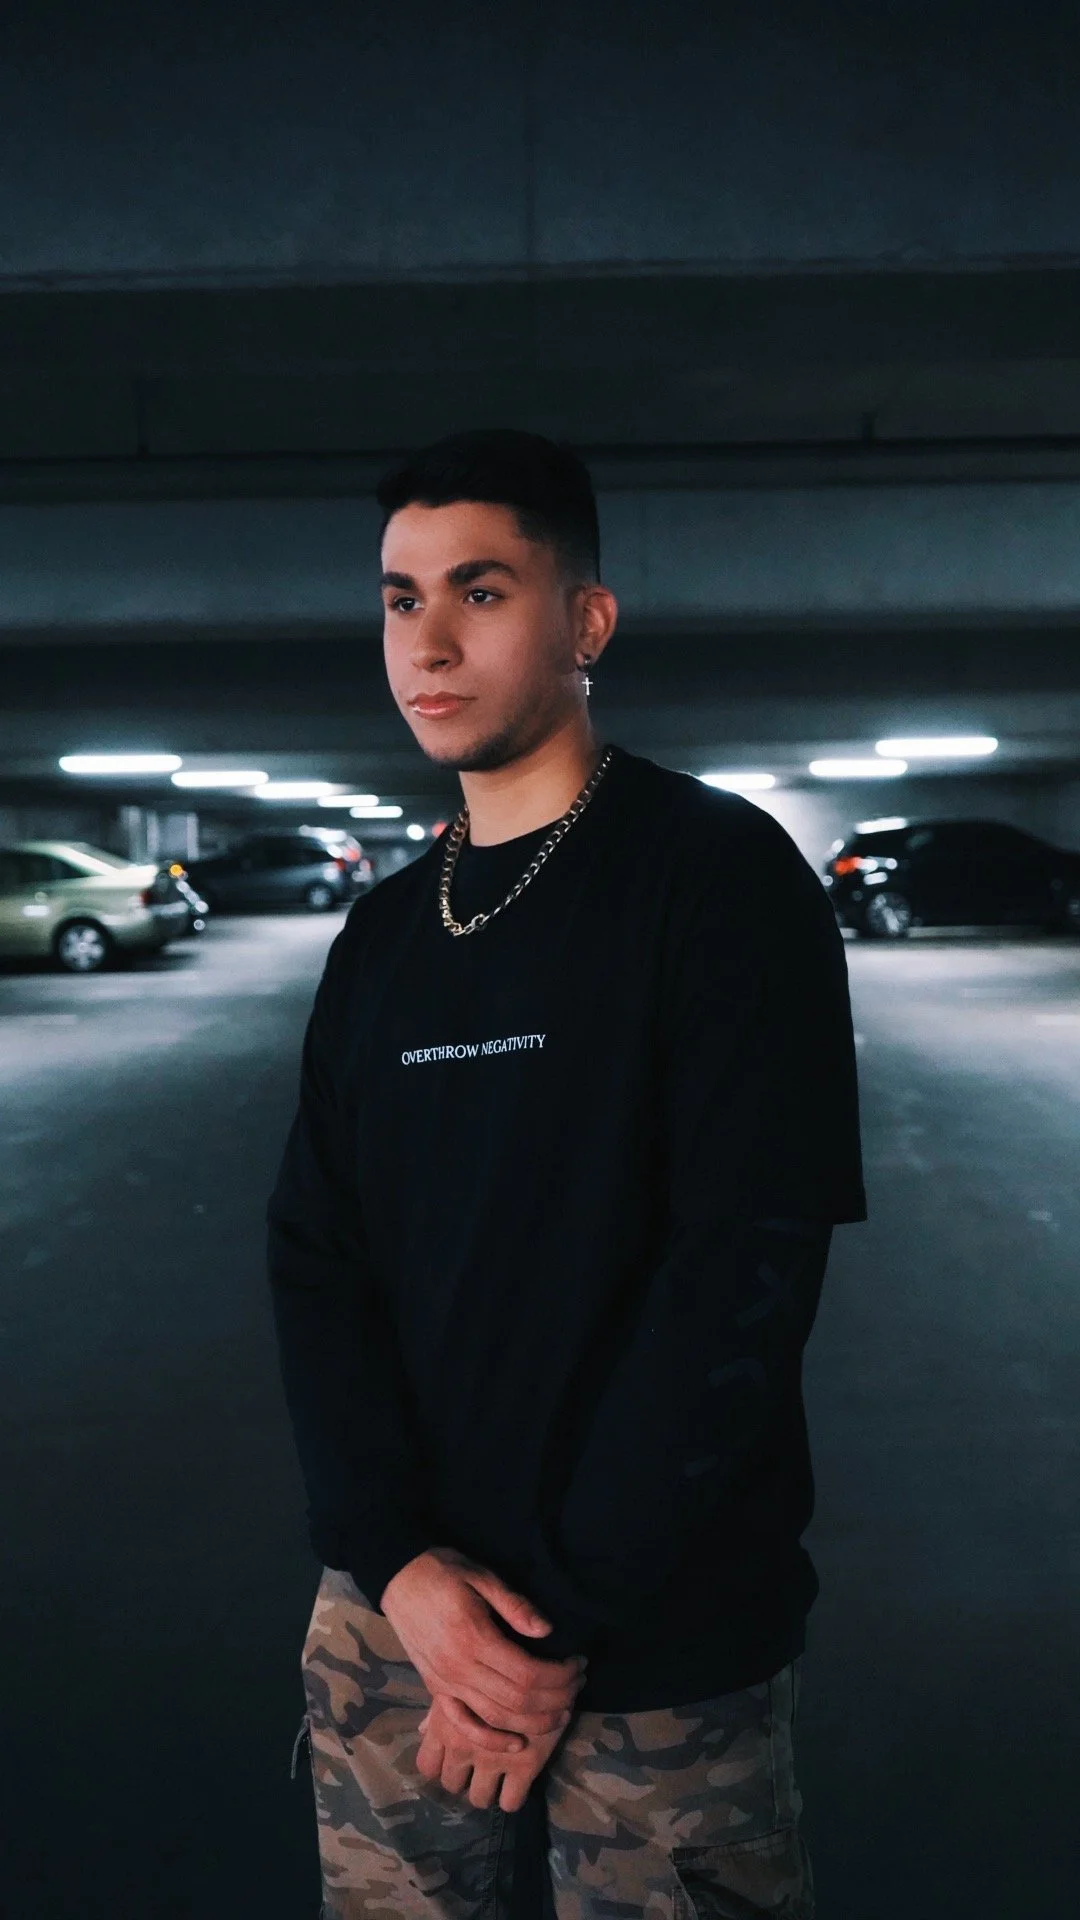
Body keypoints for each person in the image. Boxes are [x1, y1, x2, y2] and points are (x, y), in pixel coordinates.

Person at [267, 427, 867, 1919]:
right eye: (403, 599)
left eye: (482, 588)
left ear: (586, 621)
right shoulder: (385, 937)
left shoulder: (719, 882)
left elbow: (744, 1271)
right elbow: (315, 1261)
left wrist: (553, 1627)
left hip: (659, 1635)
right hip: (395, 1627)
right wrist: (397, 1560)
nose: (433, 639)